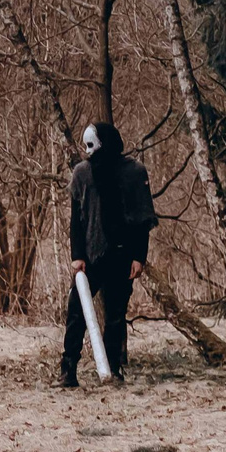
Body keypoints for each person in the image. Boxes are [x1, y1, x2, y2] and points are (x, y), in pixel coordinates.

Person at [61, 121, 157, 388]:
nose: (89, 151)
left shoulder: (134, 172)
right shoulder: (82, 173)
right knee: (77, 312)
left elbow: (142, 219)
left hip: (122, 255)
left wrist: (139, 256)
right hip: (90, 256)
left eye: (93, 145)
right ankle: (68, 370)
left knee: (115, 316)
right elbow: (76, 220)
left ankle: (113, 369)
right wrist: (77, 255)